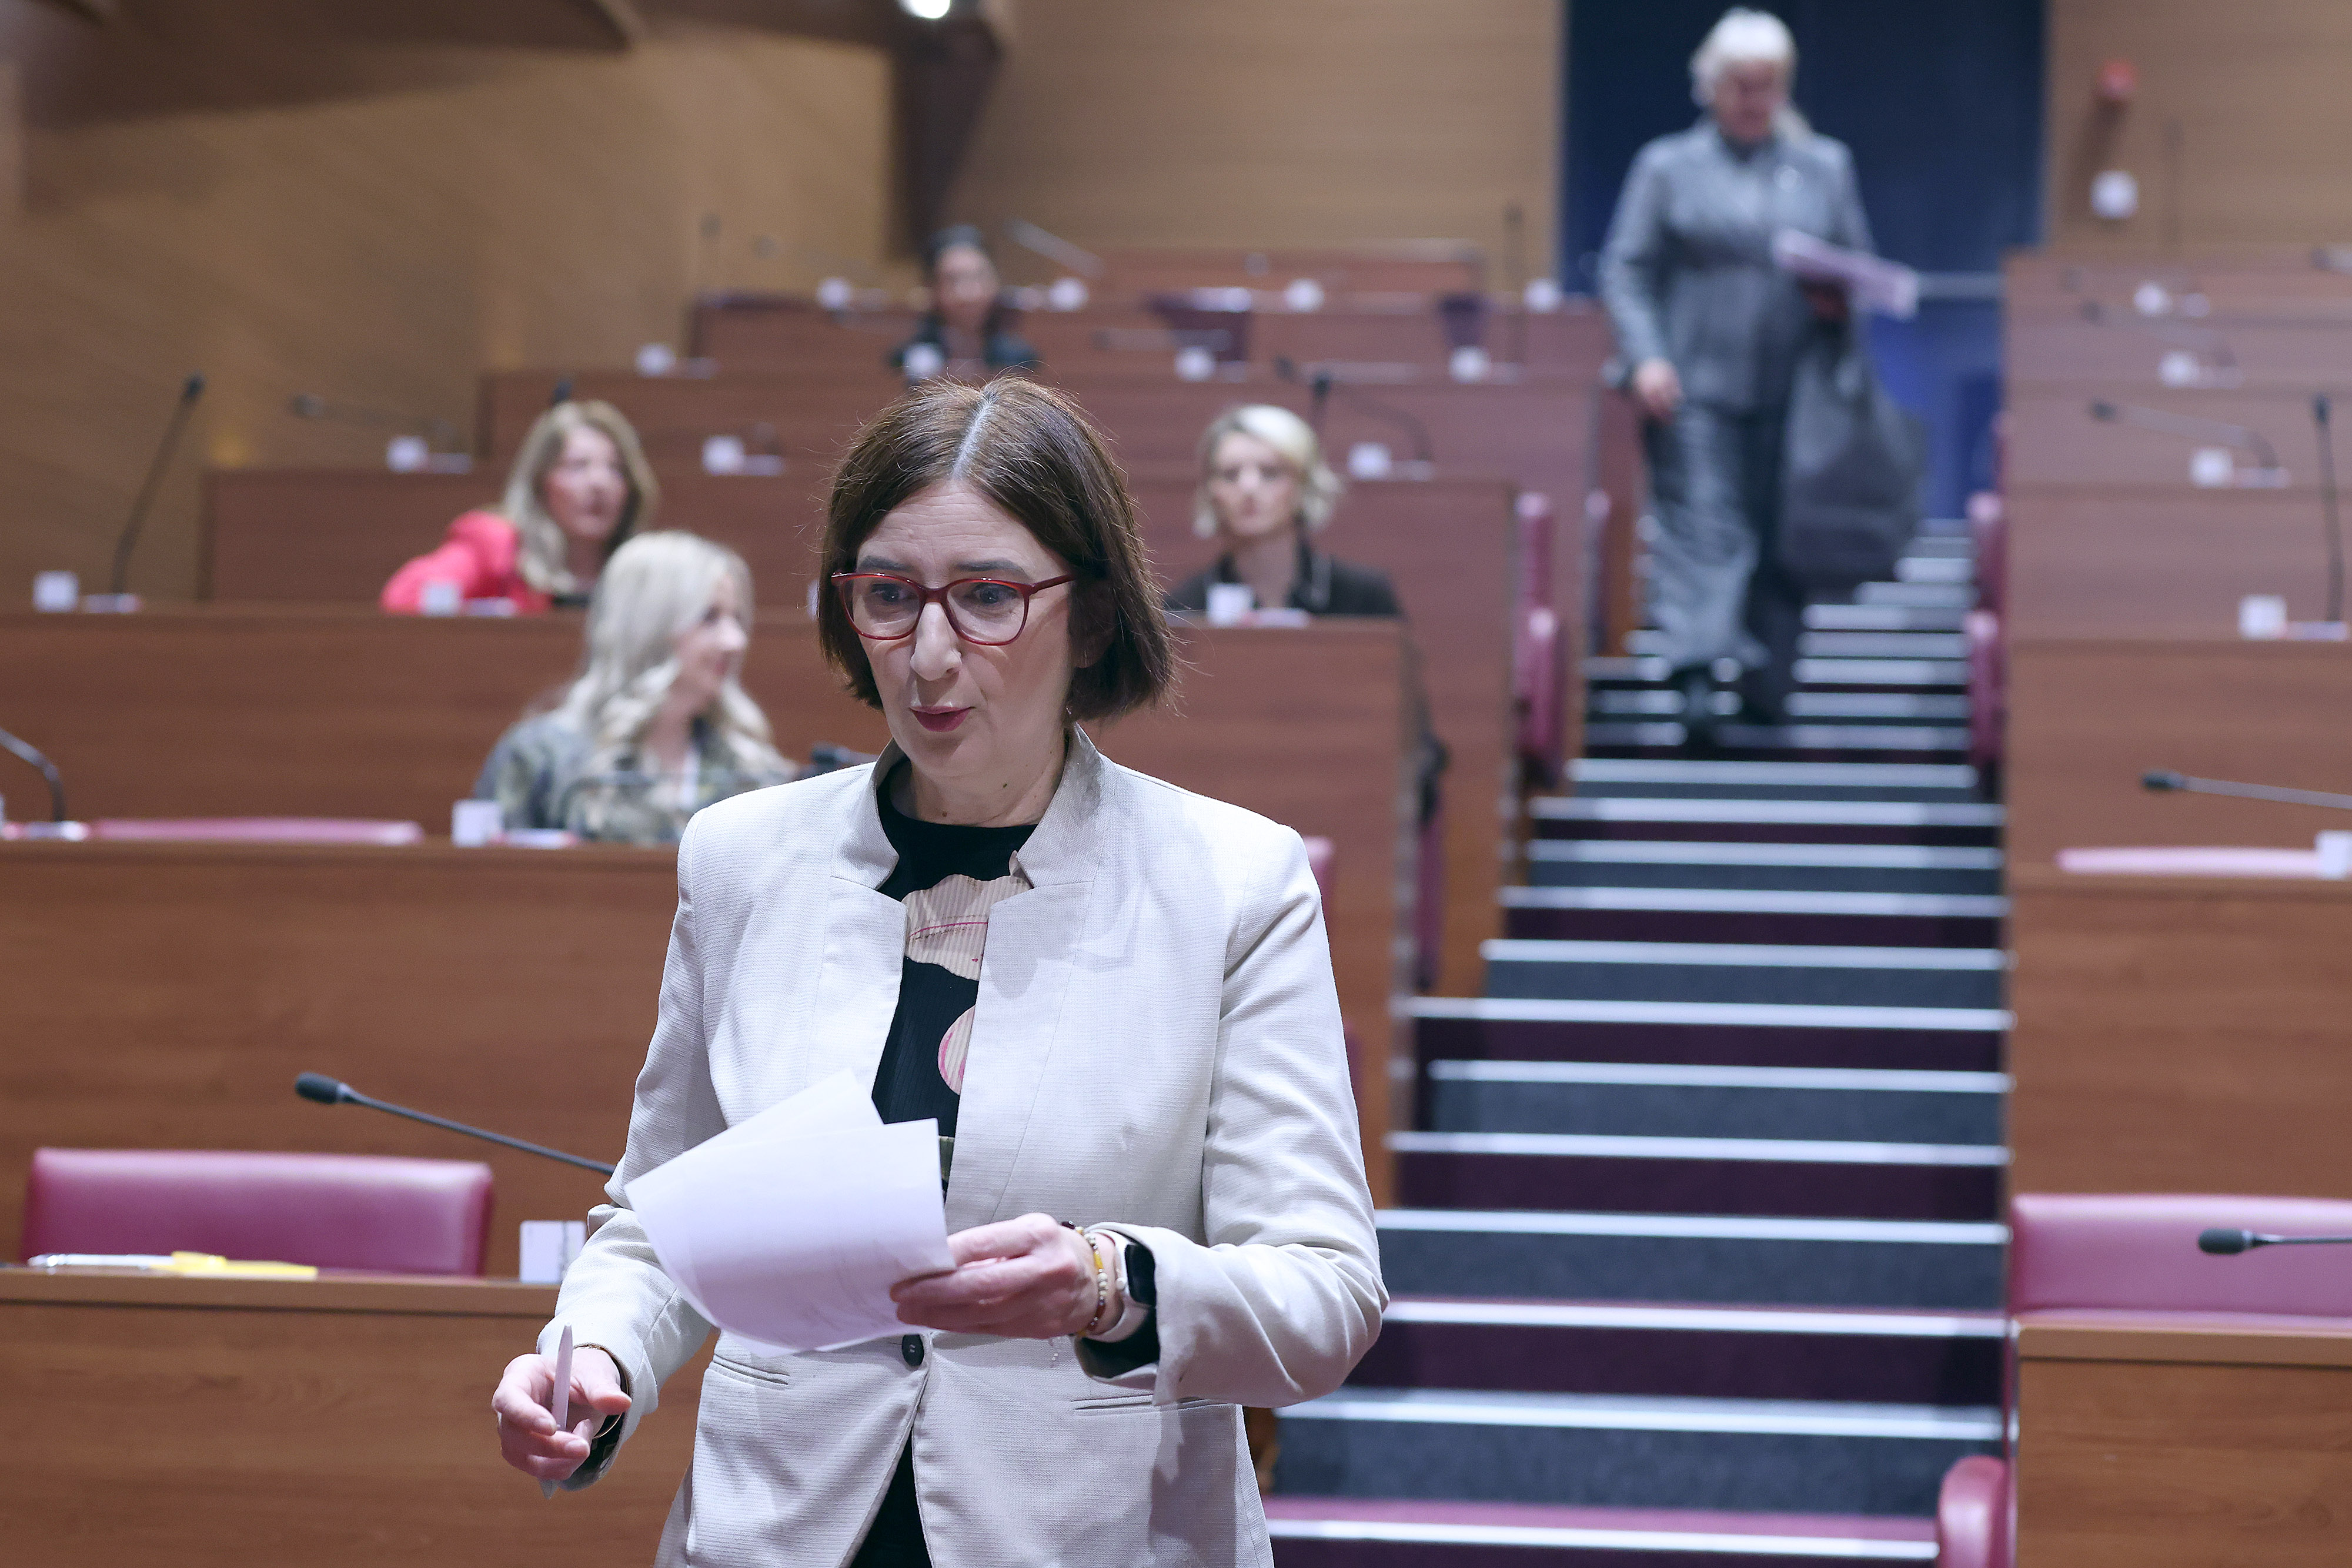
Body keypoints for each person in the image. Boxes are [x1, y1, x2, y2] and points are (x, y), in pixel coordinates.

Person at [488, 375, 1384, 1566]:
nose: (929, 652)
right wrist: (591, 1357)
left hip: (1088, 1531)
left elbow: (1322, 1296)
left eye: (988, 597)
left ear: (1096, 615)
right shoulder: (742, 857)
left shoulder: (1232, 880)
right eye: (891, 595)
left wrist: (1107, 1281)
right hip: (778, 1525)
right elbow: (663, 1227)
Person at [1599, 7, 1874, 740]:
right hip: (1692, 385)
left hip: (1796, 388)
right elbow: (1626, 270)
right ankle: (1693, 680)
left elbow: (1857, 269)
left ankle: (1767, 688)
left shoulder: (1825, 166)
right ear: (1710, 86)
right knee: (1699, 529)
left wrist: (1838, 300)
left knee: (1784, 535)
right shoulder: (1667, 167)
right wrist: (1645, 355)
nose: (1755, 100)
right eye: (1741, 85)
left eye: (1769, 85)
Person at [472, 531, 797, 843]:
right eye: (709, 618)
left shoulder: (749, 767)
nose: (735, 641)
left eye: (736, 619)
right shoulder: (539, 758)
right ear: (649, 628)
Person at [380, 400, 657, 613]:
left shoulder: (646, 569)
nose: (600, 483)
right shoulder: (495, 545)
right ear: (539, 482)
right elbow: (404, 599)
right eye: (577, 466)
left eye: (616, 469)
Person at [1164, 403, 1402, 617]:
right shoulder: (1185, 608)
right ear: (1210, 493)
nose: (1248, 488)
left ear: (1304, 486)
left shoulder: (1363, 599)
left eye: (1270, 472)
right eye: (1230, 474)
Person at [890, 225, 1040, 380]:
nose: (968, 294)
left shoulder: (1021, 359)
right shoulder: (902, 360)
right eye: (953, 280)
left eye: (978, 277)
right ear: (932, 287)